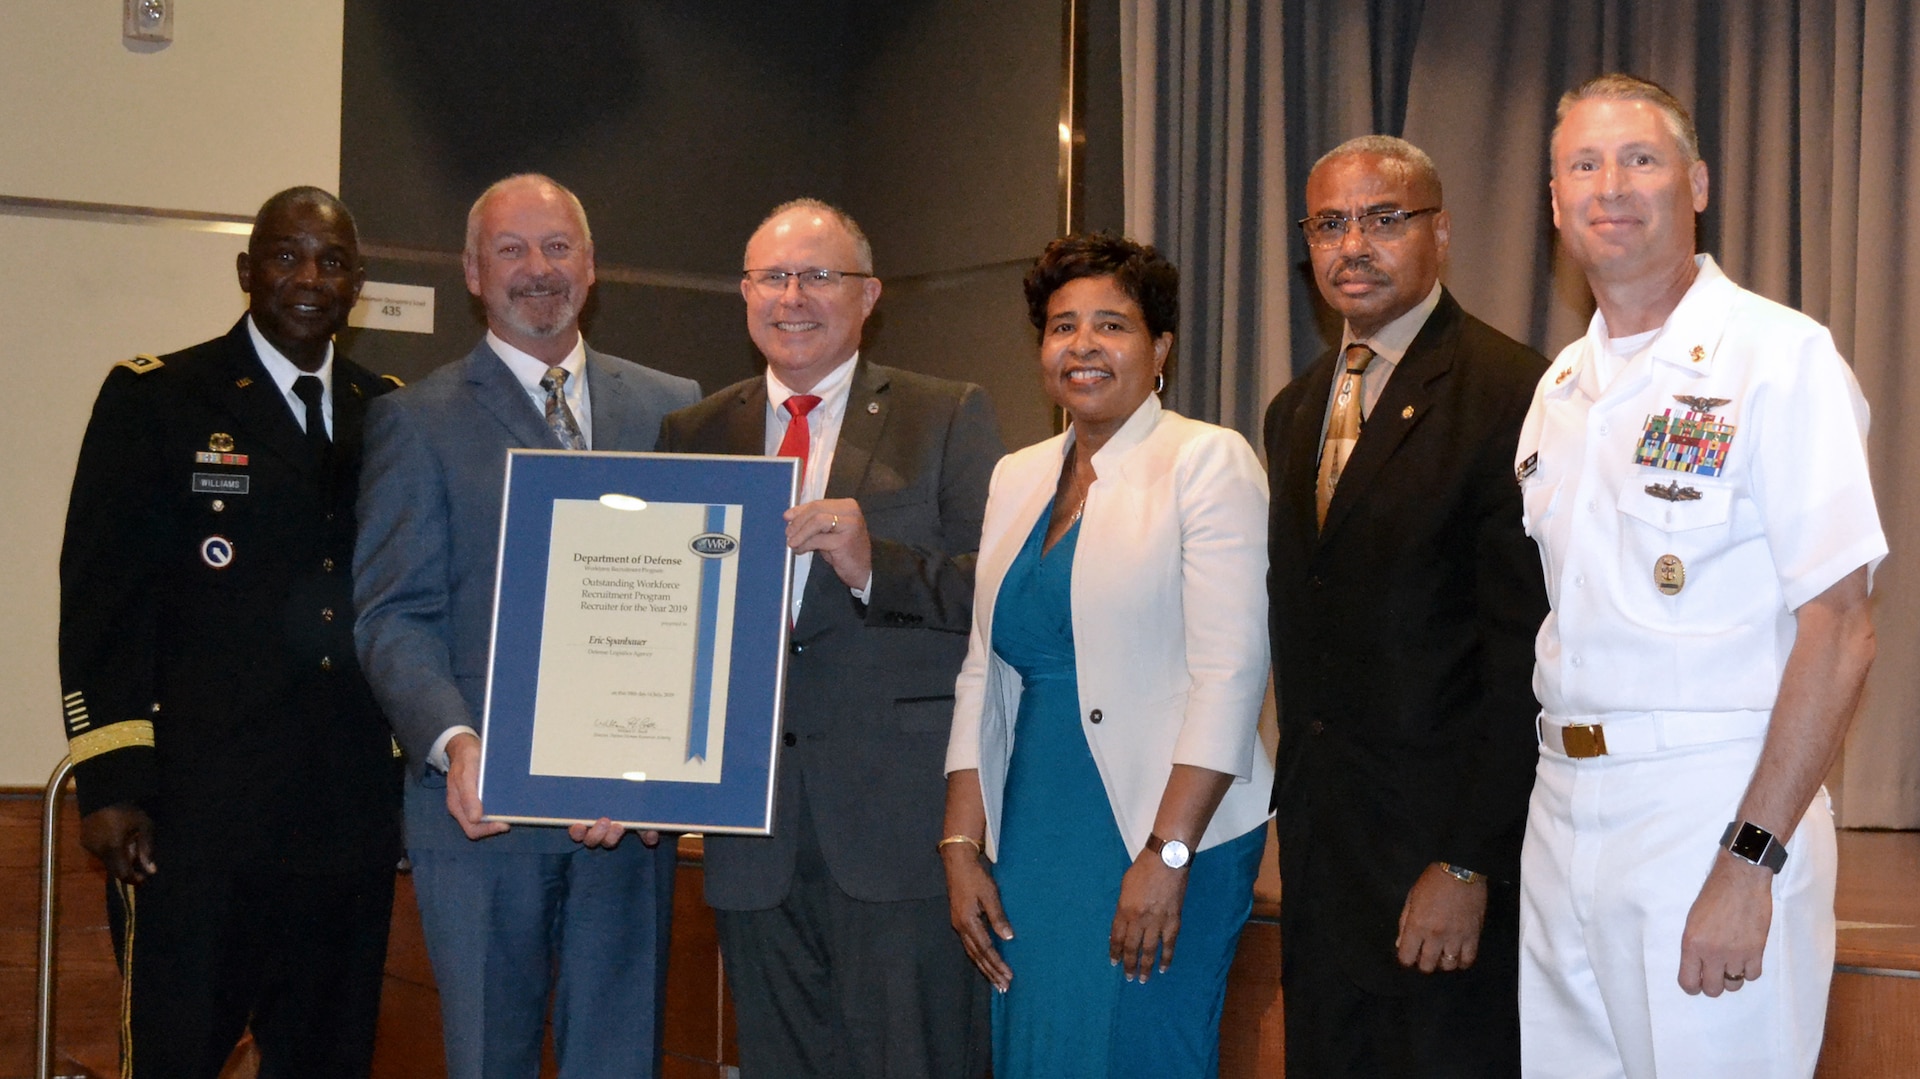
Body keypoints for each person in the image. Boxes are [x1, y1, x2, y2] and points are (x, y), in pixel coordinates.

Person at [1518, 74, 1884, 1079]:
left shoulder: (1779, 358)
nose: (1611, 186)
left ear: (1699, 182)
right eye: (1582, 164)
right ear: (1554, 201)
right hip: (1561, 807)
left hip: (1708, 803)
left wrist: (1749, 858)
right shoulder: (1558, 392)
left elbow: (1842, 625)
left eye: (1641, 158)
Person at [353, 173, 700, 1078]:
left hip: (629, 819)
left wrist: (674, 756)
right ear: (473, 271)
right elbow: (394, 614)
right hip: (480, 818)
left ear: (591, 266)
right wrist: (456, 741)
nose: (536, 269)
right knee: (486, 1059)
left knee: (622, 1060)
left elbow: (697, 607)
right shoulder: (413, 420)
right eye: (512, 249)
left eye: (557, 247)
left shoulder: (674, 408)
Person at [58, 186, 401, 1077]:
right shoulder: (160, 398)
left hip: (345, 815)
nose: (308, 279)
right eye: (286, 256)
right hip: (195, 814)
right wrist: (112, 777)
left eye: (331, 262)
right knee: (176, 1052)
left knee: (328, 1057)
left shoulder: (392, 412)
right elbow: (104, 601)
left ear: (357, 282)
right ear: (246, 271)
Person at [659, 198, 1003, 1079]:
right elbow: (666, 630)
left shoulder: (946, 413)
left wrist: (871, 564)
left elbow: (995, 594)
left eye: (820, 275)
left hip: (897, 831)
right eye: (773, 276)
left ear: (870, 295)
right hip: (750, 837)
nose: (793, 296)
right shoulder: (693, 435)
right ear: (744, 293)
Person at [943, 233, 1274, 1077]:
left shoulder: (1206, 460)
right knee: (1039, 1049)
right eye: (1061, 327)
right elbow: (983, 667)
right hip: (1032, 828)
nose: (1083, 345)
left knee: (1140, 1050)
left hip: (1166, 829)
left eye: (1112, 326)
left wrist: (1168, 855)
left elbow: (1230, 675)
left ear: (1159, 348)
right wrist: (960, 842)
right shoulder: (1016, 475)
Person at [1264, 137, 1548, 1077]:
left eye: (1384, 218)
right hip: (1322, 860)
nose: (1354, 244)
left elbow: (1522, 662)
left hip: (1440, 863)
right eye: (1329, 223)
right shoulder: (1295, 409)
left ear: (1441, 233)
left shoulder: (1513, 391)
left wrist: (1468, 861)